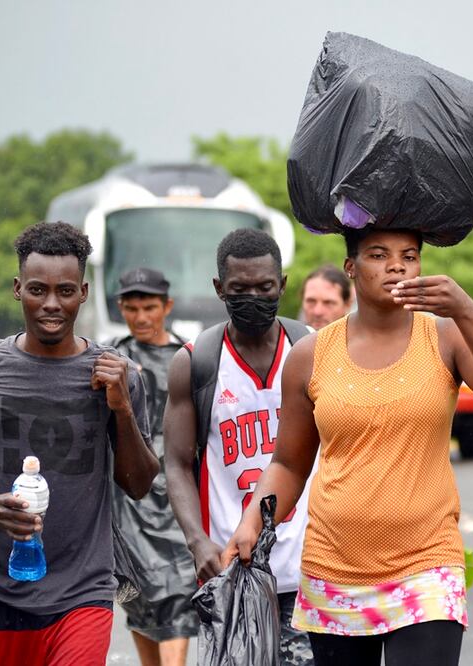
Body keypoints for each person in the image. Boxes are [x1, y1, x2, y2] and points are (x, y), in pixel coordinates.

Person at [219, 227, 473, 666]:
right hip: (334, 570)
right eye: (379, 255)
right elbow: (290, 464)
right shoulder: (310, 356)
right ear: (351, 268)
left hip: (427, 563)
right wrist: (251, 521)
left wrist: (465, 309)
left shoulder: (445, 337)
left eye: (409, 256)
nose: (396, 265)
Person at [0, 221, 159, 666]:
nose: (51, 304)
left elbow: (138, 484)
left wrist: (122, 409)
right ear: (18, 289)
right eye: (38, 290)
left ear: (84, 292)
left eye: (66, 291)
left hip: (84, 589)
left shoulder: (117, 373)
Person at [164, 228, 315, 666]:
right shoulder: (196, 362)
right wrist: (197, 543)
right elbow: (175, 463)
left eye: (265, 288)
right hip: (234, 573)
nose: (254, 298)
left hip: (311, 573)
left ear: (282, 285)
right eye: (240, 289)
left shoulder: (312, 351)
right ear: (219, 290)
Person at [109, 267, 198, 666]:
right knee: (140, 599)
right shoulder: (110, 358)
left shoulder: (192, 357)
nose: (141, 317)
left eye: (149, 308)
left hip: (179, 492)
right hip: (129, 497)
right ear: (121, 308)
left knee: (180, 596)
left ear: (167, 307)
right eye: (132, 308)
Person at [300, 265, 353, 330]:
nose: (317, 312)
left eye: (328, 303)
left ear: (347, 304)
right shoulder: (288, 339)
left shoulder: (362, 339)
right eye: (311, 301)